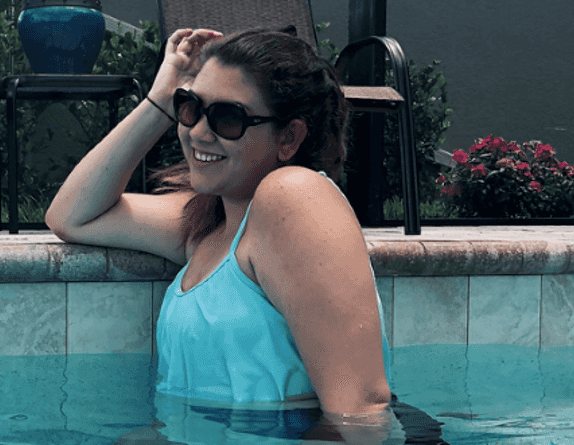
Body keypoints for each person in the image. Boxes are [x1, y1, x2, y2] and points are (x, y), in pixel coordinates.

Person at [46, 27, 398, 436]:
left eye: (227, 118)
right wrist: (160, 99)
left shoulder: (295, 198)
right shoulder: (209, 222)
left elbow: (360, 412)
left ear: (289, 137)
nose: (197, 131)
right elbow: (72, 216)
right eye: (190, 106)